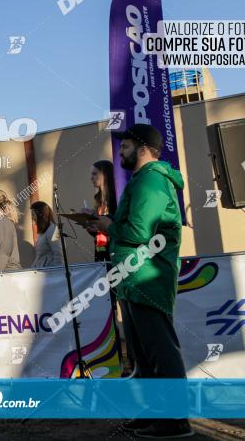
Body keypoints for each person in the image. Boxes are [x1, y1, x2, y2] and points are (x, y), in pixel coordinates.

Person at [86, 124, 191, 439]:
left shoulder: (151, 181)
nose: (120, 152)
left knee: (160, 351)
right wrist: (107, 227)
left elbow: (140, 233)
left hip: (147, 279)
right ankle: (155, 414)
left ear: (142, 147)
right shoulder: (142, 181)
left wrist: (109, 225)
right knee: (144, 356)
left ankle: (175, 421)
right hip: (134, 279)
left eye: (125, 146)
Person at [85, 160, 117, 262]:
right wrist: (90, 226)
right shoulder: (99, 200)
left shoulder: (116, 198)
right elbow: (100, 231)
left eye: (95, 174)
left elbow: (117, 227)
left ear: (105, 174)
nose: (91, 178)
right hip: (100, 250)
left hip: (114, 252)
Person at [30, 201, 63, 268]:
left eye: (33, 215)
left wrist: (56, 272)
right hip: (42, 272)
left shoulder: (53, 229)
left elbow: (58, 253)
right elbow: (40, 256)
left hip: (50, 274)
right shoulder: (43, 232)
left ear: (40, 215)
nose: (32, 218)